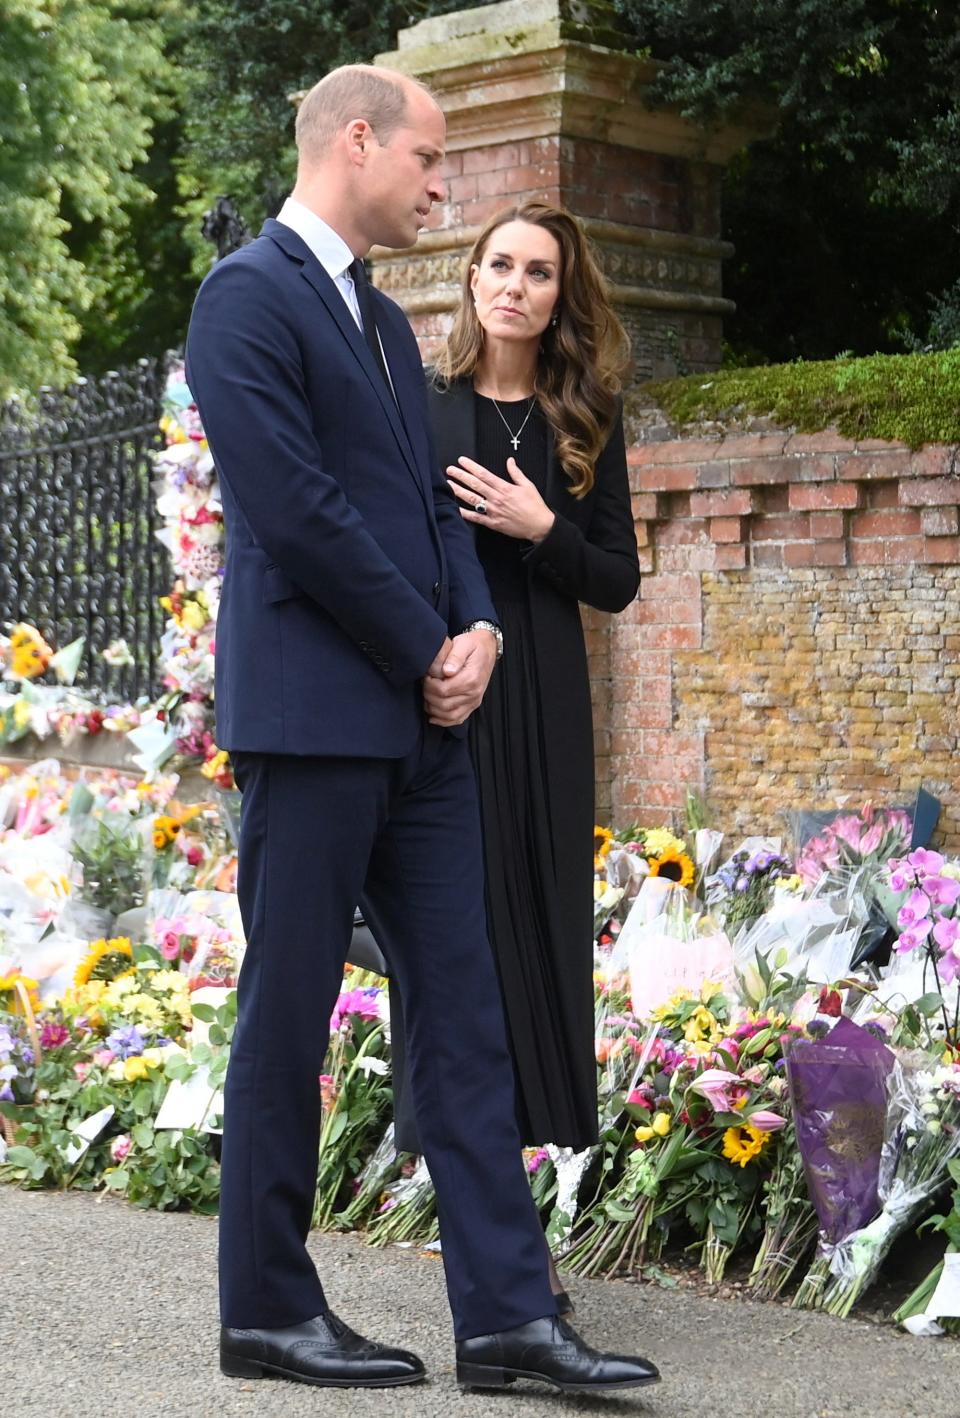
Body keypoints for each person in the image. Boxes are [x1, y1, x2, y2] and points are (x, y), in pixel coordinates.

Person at [184, 65, 659, 1395]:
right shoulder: (246, 301)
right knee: (287, 1018)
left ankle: (509, 1320)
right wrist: (425, 643)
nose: (443, 185)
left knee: (468, 1023)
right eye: (431, 159)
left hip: (424, 735)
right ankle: (267, 1308)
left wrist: (482, 633)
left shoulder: (390, 330)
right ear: (358, 143)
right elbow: (297, 513)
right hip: (315, 727)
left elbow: (435, 508)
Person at [390, 203, 641, 1304]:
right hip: (445, 700)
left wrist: (545, 528)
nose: (516, 285)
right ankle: (500, 1246)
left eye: (539, 272)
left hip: (545, 706)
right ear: (471, 276)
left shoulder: (586, 414)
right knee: (462, 957)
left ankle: (511, 1234)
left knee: (533, 940)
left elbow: (618, 580)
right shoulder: (425, 405)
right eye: (499, 263)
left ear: (559, 293)